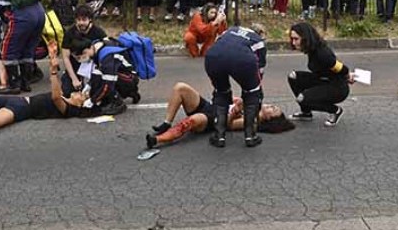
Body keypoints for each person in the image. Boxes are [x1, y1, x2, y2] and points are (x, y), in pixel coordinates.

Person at [0, 46, 89, 131]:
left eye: (82, 96)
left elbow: (55, 97)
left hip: (22, 109)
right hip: (14, 99)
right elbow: (58, 88)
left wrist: (52, 71)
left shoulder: (68, 110)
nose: (79, 93)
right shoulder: (65, 95)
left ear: (80, 104)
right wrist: (52, 57)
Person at [146, 82, 294, 149]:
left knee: (190, 121)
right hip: (210, 106)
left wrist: (234, 112)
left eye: (274, 109)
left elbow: (228, 125)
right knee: (180, 88)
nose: (272, 106)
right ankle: (166, 122)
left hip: (212, 120)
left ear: (268, 118)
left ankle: (157, 139)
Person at [204, 24, 268, 148]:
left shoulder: (231, 30)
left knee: (221, 92)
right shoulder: (259, 41)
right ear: (260, 33)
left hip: (213, 56)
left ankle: (219, 136)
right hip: (242, 60)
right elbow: (259, 71)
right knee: (252, 93)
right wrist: (254, 88)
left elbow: (219, 43)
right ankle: (250, 136)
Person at [287, 22, 352, 127]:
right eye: (292, 39)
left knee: (302, 98)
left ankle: (334, 110)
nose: (293, 43)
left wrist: (348, 75)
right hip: (324, 80)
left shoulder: (322, 54)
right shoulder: (312, 49)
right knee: (293, 76)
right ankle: (306, 112)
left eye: (296, 39)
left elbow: (341, 68)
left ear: (305, 38)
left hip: (337, 88)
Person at [69, 37, 141, 112]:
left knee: (106, 81)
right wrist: (89, 85)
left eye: (80, 57)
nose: (80, 60)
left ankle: (118, 103)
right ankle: (130, 93)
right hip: (120, 74)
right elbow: (97, 71)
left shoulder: (107, 56)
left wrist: (92, 100)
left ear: (86, 49)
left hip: (129, 78)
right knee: (98, 79)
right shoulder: (95, 47)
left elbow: (108, 84)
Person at [60, 4, 106, 93]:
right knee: (68, 92)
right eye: (78, 20)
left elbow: (108, 47)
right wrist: (74, 79)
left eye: (84, 20)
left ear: (90, 20)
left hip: (93, 68)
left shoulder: (98, 32)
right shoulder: (69, 33)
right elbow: (65, 57)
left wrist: (94, 51)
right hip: (75, 67)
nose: (81, 23)